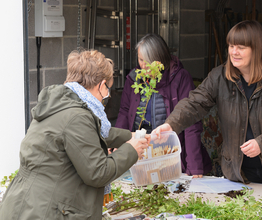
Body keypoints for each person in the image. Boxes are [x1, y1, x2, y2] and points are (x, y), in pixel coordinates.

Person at [153, 20, 262, 188]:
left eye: (241, 47)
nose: (234, 52)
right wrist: (171, 124)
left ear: (257, 49)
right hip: (238, 173)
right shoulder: (219, 77)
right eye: (231, 46)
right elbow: (194, 103)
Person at [0, 50, 150, 220]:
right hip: (43, 211)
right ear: (101, 86)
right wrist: (131, 149)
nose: (107, 96)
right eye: (108, 89)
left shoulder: (61, 104)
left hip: (26, 203)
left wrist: (129, 136)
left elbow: (92, 135)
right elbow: (98, 173)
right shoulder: (77, 116)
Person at [115, 33, 212, 178]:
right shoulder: (134, 78)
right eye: (140, 59)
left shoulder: (180, 77)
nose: (143, 65)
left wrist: (195, 166)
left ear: (160, 60)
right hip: (142, 151)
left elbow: (190, 121)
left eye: (148, 61)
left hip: (170, 151)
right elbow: (124, 111)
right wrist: (118, 143)